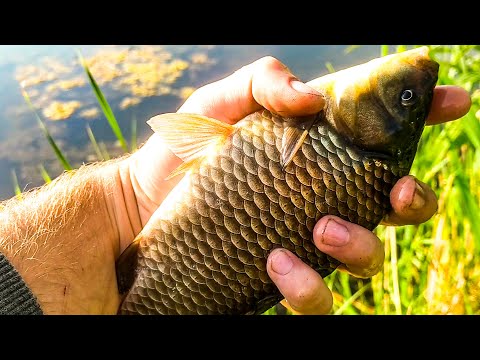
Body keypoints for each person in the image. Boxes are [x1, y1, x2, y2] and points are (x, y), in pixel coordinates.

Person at [0, 56, 471, 315]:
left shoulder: (335, 138)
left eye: (403, 98)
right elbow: (181, 136)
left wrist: (118, 204)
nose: (417, 65)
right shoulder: (309, 113)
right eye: (406, 96)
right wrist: (119, 201)